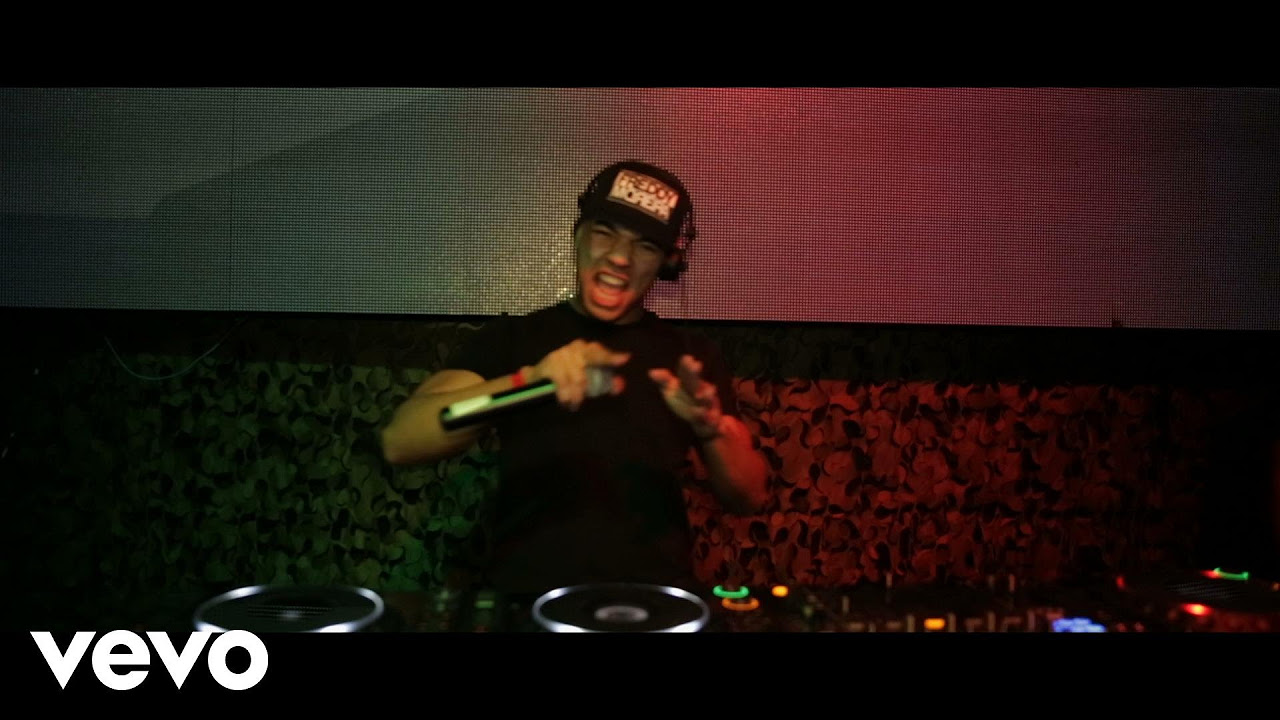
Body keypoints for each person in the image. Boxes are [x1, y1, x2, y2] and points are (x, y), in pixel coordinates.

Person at [381, 160, 769, 597]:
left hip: (654, 602)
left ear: (666, 262)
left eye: (644, 246)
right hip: (528, 601)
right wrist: (527, 384)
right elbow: (401, 440)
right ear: (577, 233)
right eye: (605, 232)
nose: (619, 258)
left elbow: (749, 496)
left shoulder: (690, 359)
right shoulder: (514, 339)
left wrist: (712, 429)